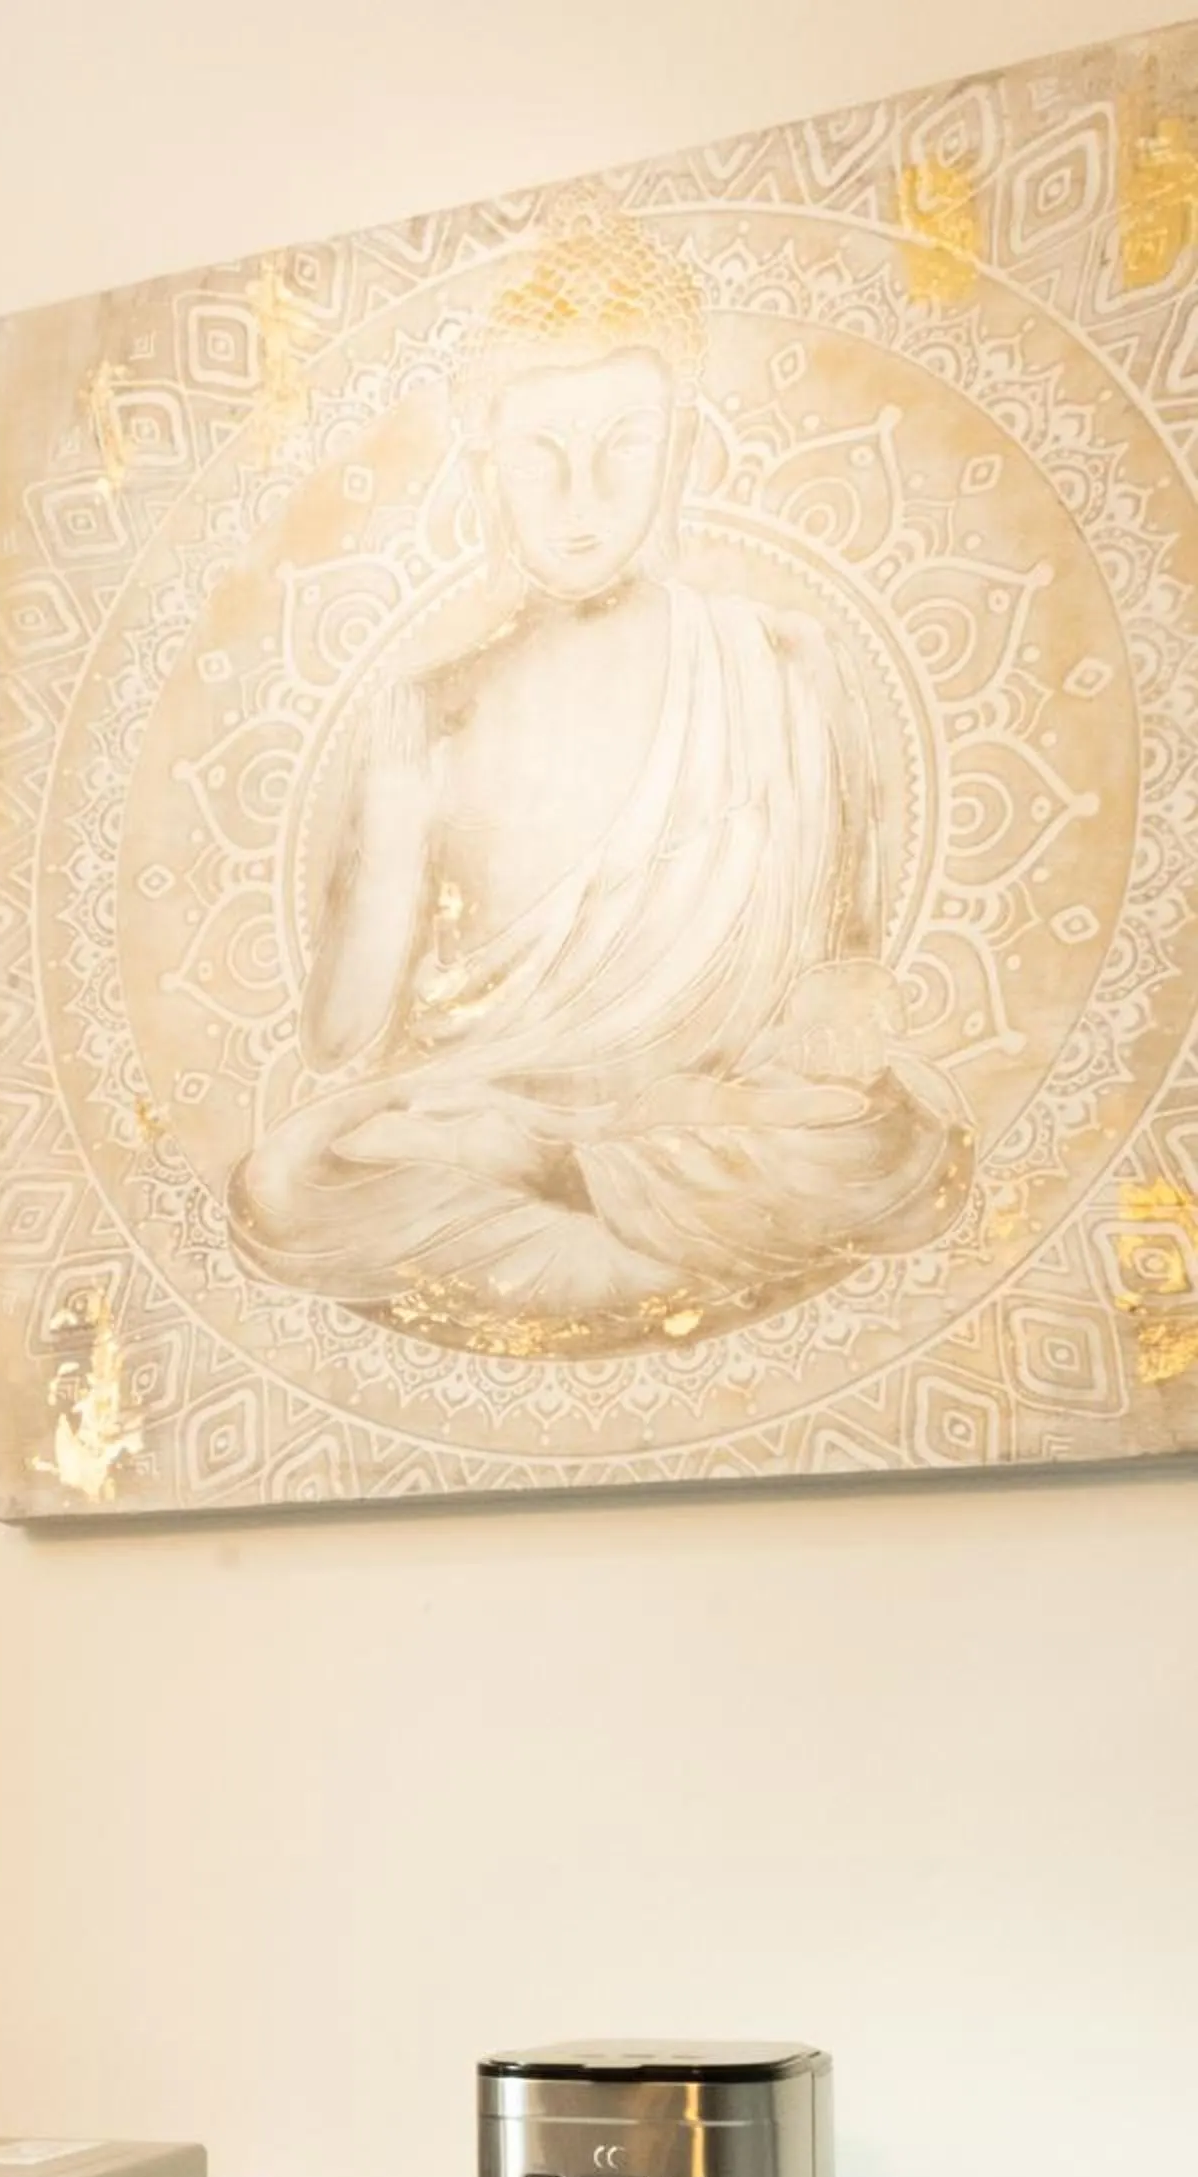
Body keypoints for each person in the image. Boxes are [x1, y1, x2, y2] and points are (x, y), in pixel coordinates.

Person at [228, 199, 970, 1351]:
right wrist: (393, 812)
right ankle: (597, 1208)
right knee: (287, 1184)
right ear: (486, 464)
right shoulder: (428, 711)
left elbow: (845, 974)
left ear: (679, 448)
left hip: (710, 1126)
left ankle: (563, 1192)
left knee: (890, 1140)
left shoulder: (782, 663)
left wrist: (803, 1040)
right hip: (497, 1116)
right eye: (542, 455)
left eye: (621, 447)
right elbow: (340, 1038)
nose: (580, 499)